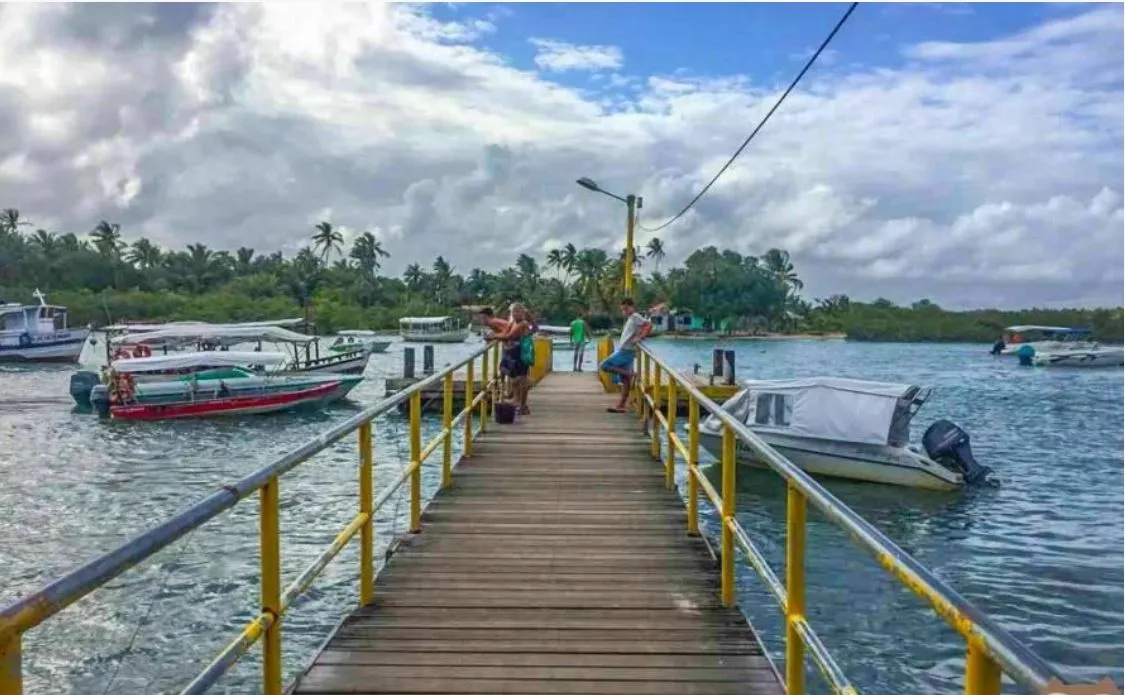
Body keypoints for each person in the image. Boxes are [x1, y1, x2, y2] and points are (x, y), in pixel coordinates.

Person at [600, 297, 652, 413]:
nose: (625, 311)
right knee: (625, 380)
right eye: (623, 309)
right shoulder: (631, 318)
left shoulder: (635, 316)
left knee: (604, 365)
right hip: (627, 350)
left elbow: (648, 325)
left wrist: (641, 337)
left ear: (632, 307)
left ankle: (632, 374)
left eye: (626, 308)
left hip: (626, 351)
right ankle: (621, 405)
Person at [487, 303, 533, 416]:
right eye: (514, 312)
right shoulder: (512, 322)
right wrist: (495, 335)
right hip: (513, 353)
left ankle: (523, 405)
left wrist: (493, 336)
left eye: (519, 312)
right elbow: (505, 333)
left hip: (521, 353)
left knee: (521, 379)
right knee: (514, 379)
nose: (516, 314)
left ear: (523, 313)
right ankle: (519, 403)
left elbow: (509, 336)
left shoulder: (523, 324)